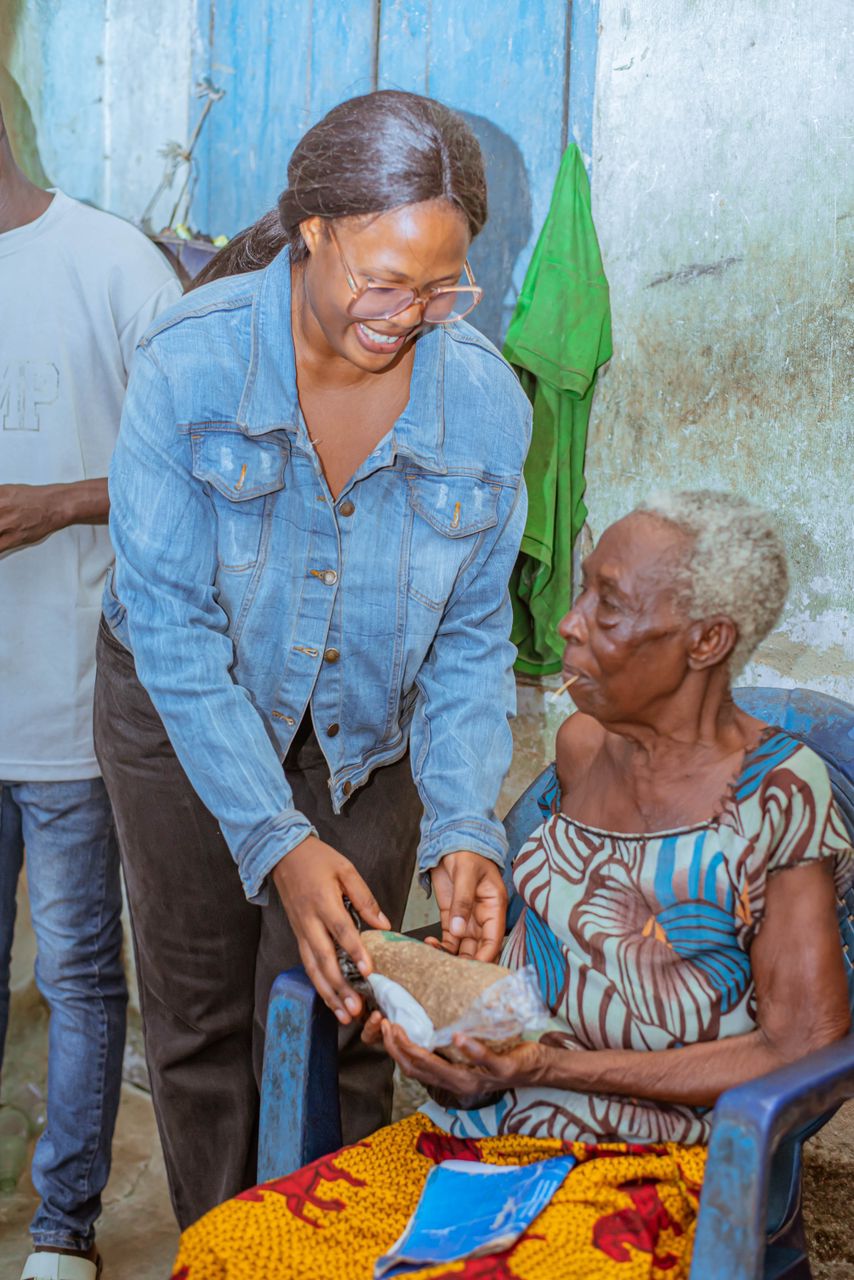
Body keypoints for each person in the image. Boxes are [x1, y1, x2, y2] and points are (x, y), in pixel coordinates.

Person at [170, 491, 853, 1280]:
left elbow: (803, 1043)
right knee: (228, 1250)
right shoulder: (583, 748)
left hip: (656, 1167)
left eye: (609, 605)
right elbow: (552, 970)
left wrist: (546, 1070)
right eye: (583, 588)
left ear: (707, 640)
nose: (569, 622)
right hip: (481, 1141)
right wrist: (444, 1026)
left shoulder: (778, 793)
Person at [93, 89, 532, 1228]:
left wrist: (464, 825)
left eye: (444, 286)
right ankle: (225, 1245)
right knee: (201, 1023)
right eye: (383, 280)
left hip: (365, 732)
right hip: (178, 712)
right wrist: (274, 837)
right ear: (313, 230)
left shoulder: (484, 405)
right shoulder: (191, 361)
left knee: (347, 1010)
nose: (409, 316)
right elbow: (173, 626)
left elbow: (470, 641)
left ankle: (326, 1245)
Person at [0, 101, 180, 1279]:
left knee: (74, 971)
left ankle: (63, 1223)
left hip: (68, 703)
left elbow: (200, 456)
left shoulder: (114, 264)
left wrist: (59, 502)